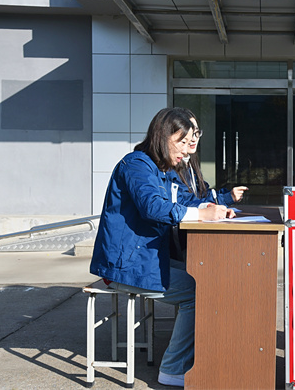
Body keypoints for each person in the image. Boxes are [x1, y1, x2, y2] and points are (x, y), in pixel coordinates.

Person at [90, 107, 235, 388]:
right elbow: (152, 207)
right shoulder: (136, 165)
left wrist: (213, 207)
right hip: (125, 265)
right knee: (198, 290)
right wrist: (201, 214)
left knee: (206, 276)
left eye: (191, 141)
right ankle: (173, 369)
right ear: (163, 135)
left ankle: (192, 357)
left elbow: (183, 201)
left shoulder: (159, 169)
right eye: (182, 141)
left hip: (143, 258)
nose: (187, 149)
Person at [176, 108, 248, 207]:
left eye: (196, 133)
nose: (193, 139)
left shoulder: (190, 163)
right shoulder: (169, 167)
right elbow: (184, 205)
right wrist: (226, 198)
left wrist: (228, 195)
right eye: (188, 134)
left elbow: (203, 194)